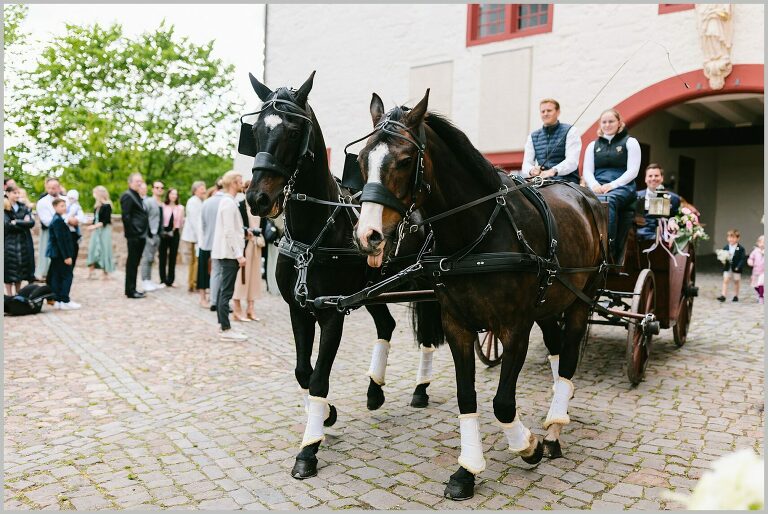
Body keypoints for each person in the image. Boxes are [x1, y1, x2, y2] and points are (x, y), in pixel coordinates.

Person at [582, 108, 641, 261]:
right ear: (600, 125)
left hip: (623, 187)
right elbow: (587, 171)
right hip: (597, 186)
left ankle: (607, 250)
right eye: (604, 122)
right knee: (579, 200)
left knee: (607, 201)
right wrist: (594, 185)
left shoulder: (630, 142)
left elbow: (633, 171)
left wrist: (612, 185)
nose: (607, 125)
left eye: (611, 121)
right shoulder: (592, 146)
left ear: (619, 123)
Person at [212, 171, 248, 341]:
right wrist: (239, 254)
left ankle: (222, 325)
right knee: (226, 291)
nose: (242, 184)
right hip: (229, 254)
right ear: (233, 183)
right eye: (240, 181)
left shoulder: (229, 202)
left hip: (228, 253)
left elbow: (234, 229)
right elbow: (228, 231)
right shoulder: (228, 203)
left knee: (223, 290)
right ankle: (225, 328)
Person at [521, 98, 581, 184]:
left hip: (567, 182)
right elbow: (526, 164)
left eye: (549, 110)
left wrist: (553, 171)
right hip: (543, 182)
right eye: (543, 111)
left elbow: (572, 162)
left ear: (558, 112)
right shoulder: (532, 136)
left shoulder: (571, 131)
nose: (545, 114)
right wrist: (532, 170)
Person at [233, 179, 264, 322]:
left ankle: (251, 307)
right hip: (244, 244)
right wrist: (247, 231)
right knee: (241, 277)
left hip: (257, 245)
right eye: (248, 187)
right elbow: (235, 227)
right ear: (244, 190)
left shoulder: (260, 207)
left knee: (255, 278)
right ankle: (237, 307)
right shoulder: (238, 206)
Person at [47, 198, 80, 310]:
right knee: (67, 275)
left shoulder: (59, 219)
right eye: (61, 206)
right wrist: (66, 256)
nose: (64, 208)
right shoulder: (57, 221)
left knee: (57, 276)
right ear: (55, 207)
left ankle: (58, 299)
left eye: (64, 205)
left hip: (57, 253)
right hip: (60, 254)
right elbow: (60, 240)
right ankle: (64, 299)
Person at [120, 172, 149, 299]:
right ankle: (130, 290)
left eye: (140, 181)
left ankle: (133, 288)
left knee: (135, 263)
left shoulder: (137, 195)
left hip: (140, 235)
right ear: (130, 182)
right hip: (134, 236)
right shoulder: (127, 196)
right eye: (137, 181)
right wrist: (134, 233)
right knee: (132, 263)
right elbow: (126, 217)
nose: (139, 183)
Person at [636, 164, 682, 241]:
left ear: (662, 178)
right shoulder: (636, 196)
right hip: (639, 238)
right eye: (650, 176)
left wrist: (672, 221)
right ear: (645, 179)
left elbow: (676, 217)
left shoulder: (674, 198)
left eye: (656, 175)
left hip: (665, 237)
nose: (653, 178)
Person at [4, 185, 36, 295]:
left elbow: (31, 223)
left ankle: (18, 295)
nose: (17, 195)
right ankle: (9, 296)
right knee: (9, 271)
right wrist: (23, 222)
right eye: (14, 193)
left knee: (20, 269)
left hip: (23, 243)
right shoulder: (4, 208)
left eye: (18, 193)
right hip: (9, 243)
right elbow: (7, 225)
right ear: (7, 193)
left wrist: (16, 222)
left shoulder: (23, 207)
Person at [200, 179, 226, 311]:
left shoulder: (206, 202)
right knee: (223, 272)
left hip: (208, 242)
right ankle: (221, 301)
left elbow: (203, 225)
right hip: (222, 244)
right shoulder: (227, 201)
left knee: (214, 272)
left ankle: (213, 301)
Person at [34, 177, 62, 281]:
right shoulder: (42, 202)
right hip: (49, 231)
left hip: (63, 233)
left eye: (54, 187)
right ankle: (45, 274)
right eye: (49, 188)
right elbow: (46, 220)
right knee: (46, 252)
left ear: (58, 187)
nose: (51, 190)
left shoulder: (65, 199)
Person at [140, 181, 166, 292]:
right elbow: (143, 218)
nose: (159, 189)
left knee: (152, 258)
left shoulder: (162, 204)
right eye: (157, 187)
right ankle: (145, 281)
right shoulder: (148, 202)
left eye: (161, 188)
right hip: (149, 234)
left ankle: (149, 280)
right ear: (153, 189)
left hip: (158, 234)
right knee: (147, 258)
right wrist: (148, 233)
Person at [86, 186, 115, 280]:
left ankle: (105, 272)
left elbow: (105, 221)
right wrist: (90, 222)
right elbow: (96, 219)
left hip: (104, 231)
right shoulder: (97, 206)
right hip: (96, 231)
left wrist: (93, 226)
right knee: (92, 249)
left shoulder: (107, 206)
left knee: (104, 249)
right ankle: (91, 271)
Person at [181, 181, 206, 293]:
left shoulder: (200, 201)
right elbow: (195, 222)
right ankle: (193, 283)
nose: (204, 190)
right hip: (194, 237)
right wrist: (200, 238)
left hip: (197, 236)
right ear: (195, 190)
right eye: (202, 188)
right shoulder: (193, 202)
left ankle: (193, 283)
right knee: (195, 261)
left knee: (195, 261)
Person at [158, 187, 184, 287]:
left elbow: (180, 222)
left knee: (173, 257)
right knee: (162, 256)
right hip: (164, 233)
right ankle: (163, 279)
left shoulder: (180, 207)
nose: (174, 196)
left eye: (175, 194)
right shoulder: (163, 206)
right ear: (168, 195)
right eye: (172, 194)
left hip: (175, 233)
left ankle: (171, 280)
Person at [718, 229, 747, 302]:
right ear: (727, 238)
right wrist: (723, 260)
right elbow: (723, 255)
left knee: (736, 281)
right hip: (727, 267)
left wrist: (739, 266)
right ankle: (723, 295)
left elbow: (742, 259)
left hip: (736, 267)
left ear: (737, 238)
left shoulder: (740, 248)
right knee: (725, 280)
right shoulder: (726, 247)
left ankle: (735, 296)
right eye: (730, 237)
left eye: (733, 237)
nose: (731, 239)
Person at [64, 189, 86, 267]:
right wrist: (68, 219)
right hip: (65, 231)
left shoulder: (77, 206)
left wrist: (76, 219)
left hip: (73, 232)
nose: (71, 200)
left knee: (73, 253)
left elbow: (82, 218)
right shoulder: (64, 205)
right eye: (70, 198)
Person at [747, 235, 764, 304]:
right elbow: (751, 258)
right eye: (761, 242)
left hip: (764, 272)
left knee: (761, 283)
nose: (763, 244)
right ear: (758, 243)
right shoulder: (755, 251)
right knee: (755, 285)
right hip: (756, 271)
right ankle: (761, 293)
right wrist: (750, 262)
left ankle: (761, 297)